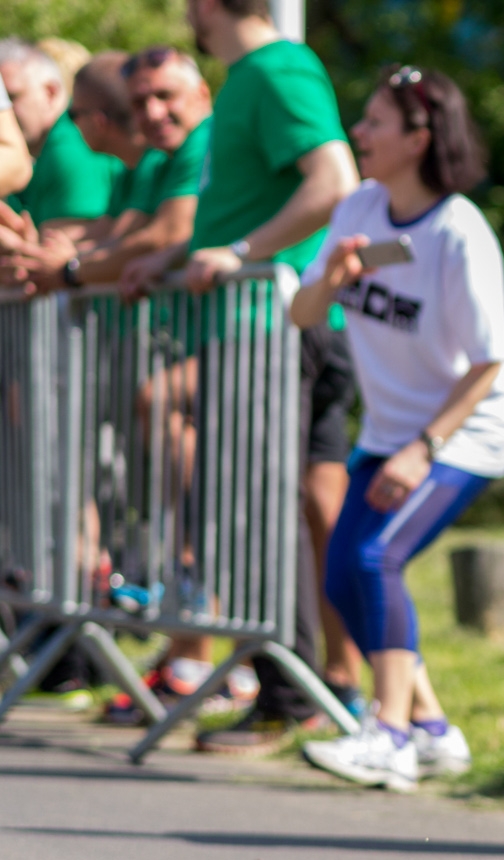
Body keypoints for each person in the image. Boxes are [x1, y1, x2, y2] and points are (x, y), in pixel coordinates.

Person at [119, 0, 360, 753]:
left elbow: (333, 180)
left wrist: (243, 251)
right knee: (299, 507)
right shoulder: (252, 76)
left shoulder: (277, 67)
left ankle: (292, 695)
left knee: (263, 510)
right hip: (273, 322)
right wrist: (184, 251)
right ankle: (324, 688)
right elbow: (251, 200)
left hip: (273, 325)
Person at [294, 65, 504, 788]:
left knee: (374, 559)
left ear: (420, 137)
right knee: (341, 571)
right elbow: (301, 315)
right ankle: (430, 727)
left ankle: (387, 734)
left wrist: (425, 449)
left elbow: (488, 362)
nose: (358, 133)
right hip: (391, 431)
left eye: (374, 122)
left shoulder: (459, 232)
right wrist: (331, 279)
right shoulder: (360, 207)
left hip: (465, 430)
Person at [7, 48, 212, 292]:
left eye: (165, 95)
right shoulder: (156, 160)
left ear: (202, 93)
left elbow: (163, 237)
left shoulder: (198, 141)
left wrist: (69, 269)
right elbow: (114, 237)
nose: (152, 113)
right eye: (138, 103)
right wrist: (41, 257)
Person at [0, 39, 119, 232]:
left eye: (12, 98)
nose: (4, 114)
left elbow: (72, 237)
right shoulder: (47, 147)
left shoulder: (71, 146)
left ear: (50, 92)